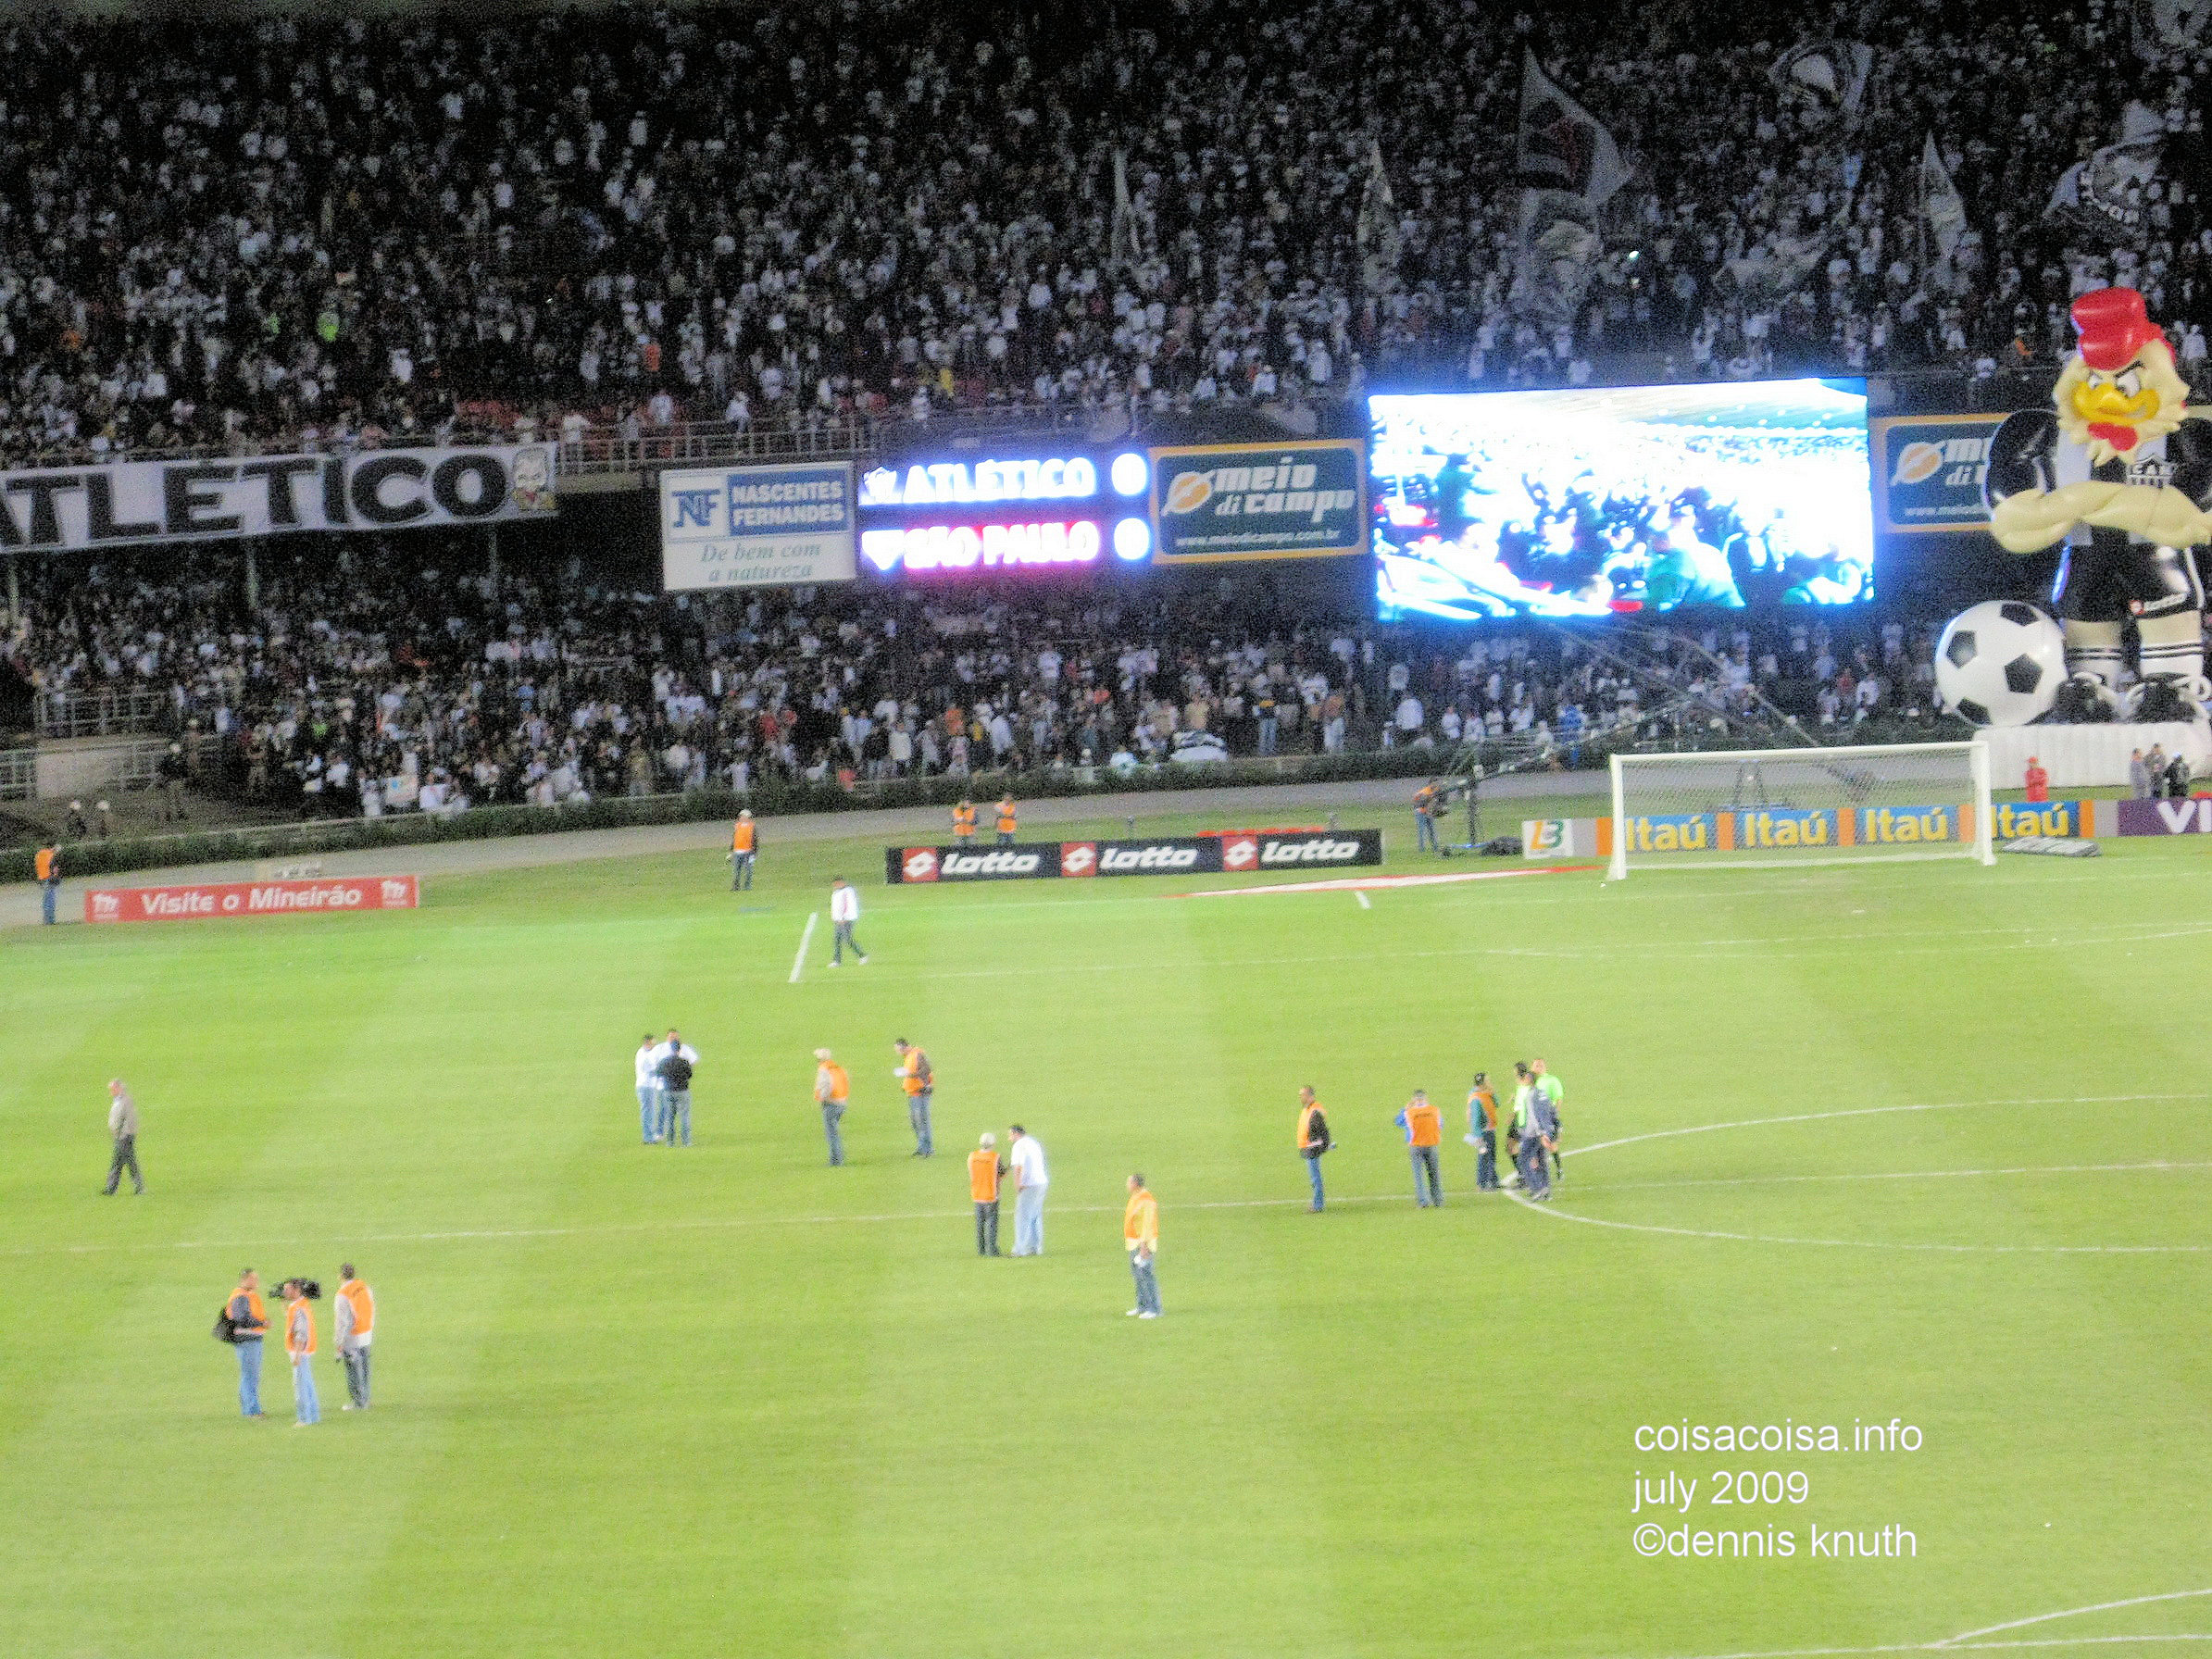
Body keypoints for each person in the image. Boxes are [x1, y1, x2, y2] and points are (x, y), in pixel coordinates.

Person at [223, 1268, 269, 1417]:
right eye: (254, 1279)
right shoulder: (240, 1297)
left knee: (250, 1375)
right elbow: (241, 1319)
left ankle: (250, 1409)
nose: (256, 1282)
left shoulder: (247, 1295)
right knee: (250, 1376)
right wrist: (262, 1323)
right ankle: (252, 1411)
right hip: (247, 1340)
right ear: (245, 1279)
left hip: (251, 1339)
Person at [1512, 1063, 1557, 1200]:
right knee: (1541, 1160)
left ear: (1529, 1079)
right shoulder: (1543, 1093)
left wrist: (1541, 1133)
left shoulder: (1530, 1095)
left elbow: (1534, 1116)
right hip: (1545, 1132)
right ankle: (1546, 1190)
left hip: (1533, 1133)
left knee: (1523, 1160)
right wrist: (1552, 1130)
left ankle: (1536, 1188)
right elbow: (1552, 1111)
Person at [281, 1278, 320, 1427]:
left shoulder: (298, 1308)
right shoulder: (303, 1304)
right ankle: (313, 1416)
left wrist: (297, 1354)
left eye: (287, 1289)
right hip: (307, 1351)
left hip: (300, 1352)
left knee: (301, 1386)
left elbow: (300, 1333)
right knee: (308, 1384)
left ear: (296, 1290)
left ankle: (304, 1418)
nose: (284, 1292)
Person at [334, 1265, 374, 1411]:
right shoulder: (364, 1287)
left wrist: (339, 1342)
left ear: (341, 1276)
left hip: (352, 1337)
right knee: (365, 1368)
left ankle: (358, 1402)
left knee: (353, 1370)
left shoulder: (342, 1294)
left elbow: (343, 1321)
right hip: (366, 1332)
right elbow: (371, 1307)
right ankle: (366, 1398)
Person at [1395, 1090, 1444, 1207]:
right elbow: (1440, 1125)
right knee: (1434, 1174)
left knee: (1418, 1175)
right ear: (1426, 1099)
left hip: (1416, 1146)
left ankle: (1423, 1201)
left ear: (1414, 1100)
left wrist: (1405, 1109)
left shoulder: (1409, 1112)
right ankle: (1438, 1200)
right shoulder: (1434, 1110)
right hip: (1432, 1144)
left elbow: (1398, 1122)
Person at [1124, 1174, 1161, 1318]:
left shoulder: (1146, 1200)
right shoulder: (1136, 1197)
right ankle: (1142, 1306)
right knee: (1138, 1277)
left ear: (1135, 1184)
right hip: (1134, 1243)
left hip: (1143, 1244)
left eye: (1129, 1182)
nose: (1127, 1185)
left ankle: (1154, 1309)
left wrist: (1144, 1246)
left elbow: (1147, 1224)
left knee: (1146, 1275)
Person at [1008, 1124, 1049, 1255]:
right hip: (1041, 1182)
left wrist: (1018, 1184)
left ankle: (1019, 1250)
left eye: (1010, 1135)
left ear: (1016, 1134)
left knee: (1023, 1216)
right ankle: (1035, 1247)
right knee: (1035, 1215)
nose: (1009, 1138)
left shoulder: (1019, 1145)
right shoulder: (1033, 1142)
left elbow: (1018, 1166)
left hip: (1029, 1184)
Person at [656, 1029, 699, 1147]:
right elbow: (690, 1074)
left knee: (669, 1117)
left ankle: (670, 1142)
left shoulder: (665, 1062)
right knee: (684, 1116)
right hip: (682, 1091)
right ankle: (686, 1142)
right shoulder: (684, 1062)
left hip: (668, 1091)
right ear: (679, 1049)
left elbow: (658, 1073)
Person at [102, 1078, 144, 1195]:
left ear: (119, 1088)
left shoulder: (125, 1101)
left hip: (124, 1137)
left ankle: (139, 1187)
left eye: (113, 1089)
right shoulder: (118, 1100)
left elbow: (130, 1119)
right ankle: (111, 1188)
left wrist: (126, 1134)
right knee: (118, 1163)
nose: (111, 1092)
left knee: (128, 1163)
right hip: (120, 1137)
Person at [894, 1038, 934, 1157]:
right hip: (913, 1093)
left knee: (922, 1121)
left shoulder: (917, 1054)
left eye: (899, 1050)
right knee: (916, 1123)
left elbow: (926, 1070)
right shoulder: (909, 1056)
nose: (898, 1053)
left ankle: (928, 1149)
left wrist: (909, 1074)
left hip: (920, 1093)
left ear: (905, 1047)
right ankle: (922, 1147)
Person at [969, 1132, 1006, 1255]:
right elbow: (1001, 1174)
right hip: (991, 1194)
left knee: (980, 1224)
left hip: (977, 1194)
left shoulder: (972, 1156)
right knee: (991, 1224)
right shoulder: (995, 1157)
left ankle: (981, 1249)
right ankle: (992, 1249)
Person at [1296, 1086, 1331, 1212]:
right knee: (1314, 1177)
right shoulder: (1308, 1109)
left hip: (1312, 1148)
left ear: (1310, 1096)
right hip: (1308, 1147)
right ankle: (1318, 1203)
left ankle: (1318, 1205)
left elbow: (1321, 1130)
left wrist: (1320, 1144)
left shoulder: (1314, 1111)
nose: (1301, 1097)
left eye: (1303, 1095)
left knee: (1315, 1178)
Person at [814, 1048, 850, 1166]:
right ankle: (837, 1158)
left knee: (832, 1133)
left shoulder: (823, 1070)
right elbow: (846, 1083)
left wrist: (822, 1098)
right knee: (834, 1131)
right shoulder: (838, 1068)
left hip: (831, 1103)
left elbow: (826, 1086)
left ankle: (836, 1160)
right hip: (842, 1103)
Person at [1532, 1057, 1566, 1185]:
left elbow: (1558, 1098)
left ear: (1545, 1067)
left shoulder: (1552, 1080)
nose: (1538, 1068)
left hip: (1547, 1118)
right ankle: (1537, 1175)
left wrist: (1554, 1116)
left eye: (1540, 1065)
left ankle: (1559, 1169)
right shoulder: (1531, 1081)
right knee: (1535, 1147)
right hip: (1533, 1119)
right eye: (1536, 1065)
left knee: (1551, 1145)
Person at [1467, 1071, 1501, 1191]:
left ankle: (1493, 1180)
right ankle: (1482, 1183)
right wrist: (1478, 1135)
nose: (1489, 1082)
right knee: (1484, 1156)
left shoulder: (1486, 1093)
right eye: (1487, 1081)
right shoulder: (1476, 1097)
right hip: (1483, 1132)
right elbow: (1475, 1118)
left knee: (1491, 1156)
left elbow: (1497, 1104)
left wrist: (1493, 1094)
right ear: (1482, 1083)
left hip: (1490, 1130)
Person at [828, 876, 868, 967]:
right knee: (837, 940)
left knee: (847, 939)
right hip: (839, 920)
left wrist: (843, 917)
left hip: (846, 919)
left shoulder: (847, 891)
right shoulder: (837, 892)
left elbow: (846, 905)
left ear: (841, 882)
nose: (835, 886)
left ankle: (862, 955)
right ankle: (837, 960)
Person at [633, 1032, 665, 1144]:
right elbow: (649, 1070)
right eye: (652, 1042)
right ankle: (648, 1137)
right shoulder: (643, 1054)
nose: (654, 1044)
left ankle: (650, 1135)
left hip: (649, 1085)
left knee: (650, 1111)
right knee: (648, 1112)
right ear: (647, 1042)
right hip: (645, 1086)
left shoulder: (648, 1052)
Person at [729, 809, 757, 891]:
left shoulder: (752, 826)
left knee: (748, 870)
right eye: (741, 816)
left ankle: (747, 886)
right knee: (736, 870)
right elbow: (734, 838)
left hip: (748, 851)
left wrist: (754, 852)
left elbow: (755, 839)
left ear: (748, 817)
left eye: (743, 816)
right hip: (737, 851)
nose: (741, 818)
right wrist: (731, 850)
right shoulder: (737, 826)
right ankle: (736, 886)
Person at [1414, 779, 1443, 853]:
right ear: (1430, 784)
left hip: (1428, 812)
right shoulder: (1425, 792)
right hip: (1421, 812)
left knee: (1432, 830)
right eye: (1434, 783)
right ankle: (1421, 849)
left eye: (1437, 783)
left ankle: (1435, 847)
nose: (1436, 785)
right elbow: (1419, 802)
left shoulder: (1436, 790)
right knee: (1422, 831)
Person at [35, 842, 60, 926]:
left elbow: (38, 867)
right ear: (52, 848)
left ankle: (46, 920)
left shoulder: (39, 854)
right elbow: (55, 868)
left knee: (45, 901)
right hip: (50, 878)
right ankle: (50, 921)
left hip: (41, 879)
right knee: (50, 900)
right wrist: (56, 876)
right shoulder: (51, 856)